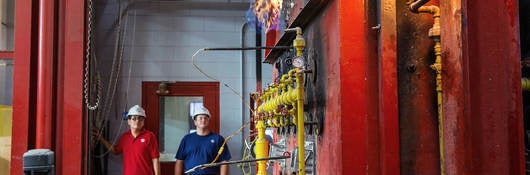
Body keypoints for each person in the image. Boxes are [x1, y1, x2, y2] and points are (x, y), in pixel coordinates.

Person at [96, 105, 161, 175]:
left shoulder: (150, 136)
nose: (137, 121)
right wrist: (101, 138)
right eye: (134, 118)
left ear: (143, 122)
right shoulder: (125, 137)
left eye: (140, 118)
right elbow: (115, 150)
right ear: (129, 121)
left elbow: (155, 159)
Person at [174, 106, 231, 175]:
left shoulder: (218, 139)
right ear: (195, 122)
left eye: (205, 118)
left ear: (208, 121)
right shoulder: (186, 139)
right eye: (200, 118)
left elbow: (224, 162)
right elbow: (179, 161)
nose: (203, 120)